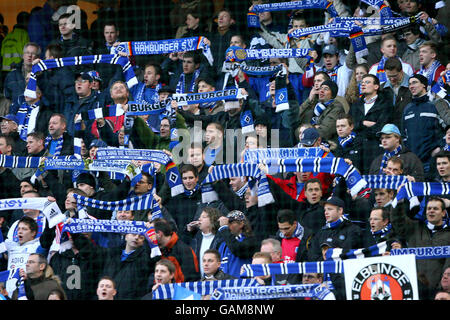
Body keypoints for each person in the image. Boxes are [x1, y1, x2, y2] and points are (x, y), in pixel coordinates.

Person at [391, 196, 450, 299]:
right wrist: (400, 199)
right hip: (415, 287)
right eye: (429, 208)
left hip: (439, 290)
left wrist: (442, 286)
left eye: (435, 209)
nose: (431, 211)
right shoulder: (415, 228)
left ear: (443, 213)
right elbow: (398, 221)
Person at [349, 74, 394, 174]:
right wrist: (363, 123)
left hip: (375, 148)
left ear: (376, 87)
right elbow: (350, 126)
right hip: (357, 148)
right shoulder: (355, 105)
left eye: (367, 82)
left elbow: (382, 127)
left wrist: (360, 129)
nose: (363, 84)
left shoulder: (385, 104)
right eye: (362, 83)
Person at [402, 74, 445, 173]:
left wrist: (439, 148)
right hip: (413, 162)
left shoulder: (434, 105)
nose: (411, 86)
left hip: (431, 161)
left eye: (414, 82)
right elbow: (404, 135)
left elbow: (446, 129)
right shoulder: (407, 109)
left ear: (424, 85)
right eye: (409, 84)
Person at [151, 218, 200, 283]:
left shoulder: (183, 250)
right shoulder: (154, 250)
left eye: (150, 233)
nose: (148, 236)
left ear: (159, 234)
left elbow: (191, 277)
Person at [299, 79, 345, 144]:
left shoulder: (337, 107)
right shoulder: (314, 104)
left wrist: (307, 130)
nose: (322, 91)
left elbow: (325, 131)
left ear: (332, 94)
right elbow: (295, 118)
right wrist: (309, 100)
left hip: (325, 143)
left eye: (326, 89)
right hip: (306, 141)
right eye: (321, 88)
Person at [217, 210, 258, 279]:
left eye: (230, 222)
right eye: (227, 223)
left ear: (241, 224)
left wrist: (224, 229)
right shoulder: (222, 244)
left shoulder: (251, 240)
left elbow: (237, 249)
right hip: (224, 285)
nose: (227, 225)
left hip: (241, 285)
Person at [184, 207, 224, 276]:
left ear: (212, 220)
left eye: (204, 217)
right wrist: (188, 232)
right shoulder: (196, 239)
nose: (199, 219)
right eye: (200, 217)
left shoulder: (220, 239)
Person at [381, 57, 412, 128]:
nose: (392, 79)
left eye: (395, 76)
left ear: (401, 71)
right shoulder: (382, 88)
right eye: (389, 76)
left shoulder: (412, 86)